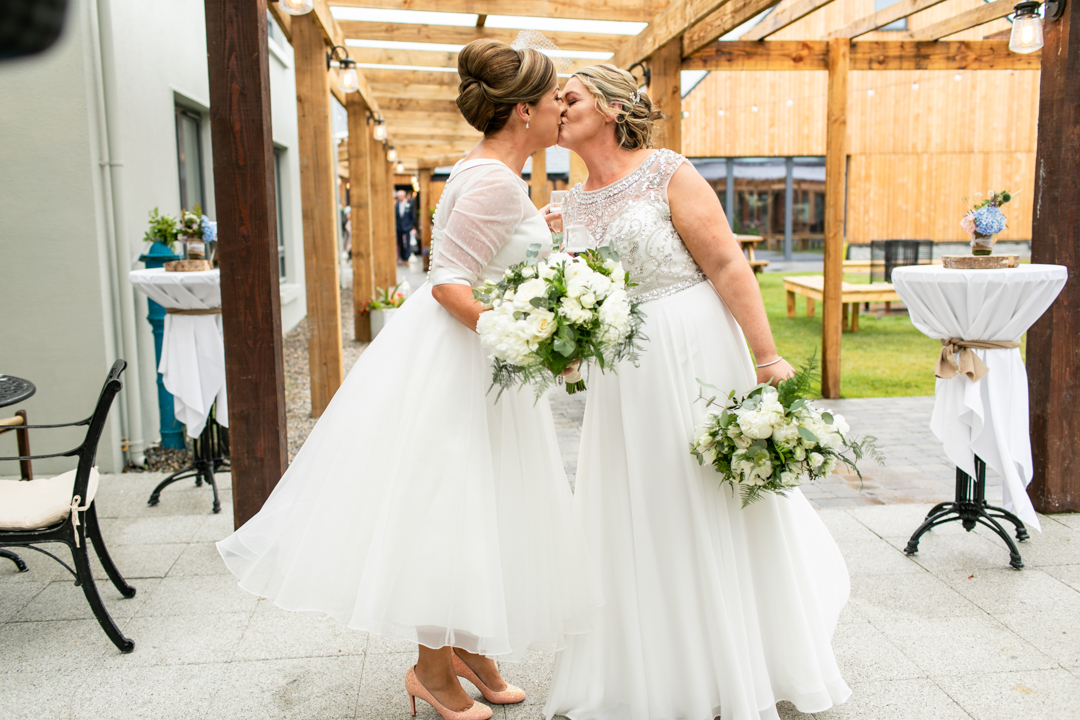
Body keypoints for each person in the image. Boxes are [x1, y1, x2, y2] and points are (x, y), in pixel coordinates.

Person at [217, 39, 598, 720]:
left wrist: (537, 232)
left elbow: (481, 255)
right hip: (462, 360)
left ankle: (469, 648)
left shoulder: (490, 175)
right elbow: (450, 283)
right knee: (448, 508)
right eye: (550, 100)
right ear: (521, 112)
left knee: (483, 504)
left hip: (472, 357)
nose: (559, 111)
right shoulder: (492, 179)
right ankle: (431, 670)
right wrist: (525, 338)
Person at [541, 64, 851, 720]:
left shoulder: (667, 171)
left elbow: (726, 262)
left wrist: (766, 357)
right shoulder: (570, 203)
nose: (558, 108)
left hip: (693, 346)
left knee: (708, 491)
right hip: (625, 373)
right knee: (642, 501)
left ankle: (744, 658)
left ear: (612, 107)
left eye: (570, 97)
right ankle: (658, 665)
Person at [395, 189, 418, 264]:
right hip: (399, 227)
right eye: (399, 196)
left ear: (404, 196)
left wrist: (411, 225)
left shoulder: (409, 205)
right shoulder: (396, 206)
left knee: (407, 243)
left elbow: (412, 216)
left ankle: (407, 258)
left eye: (401, 196)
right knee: (400, 243)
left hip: (407, 227)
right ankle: (402, 258)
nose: (400, 197)